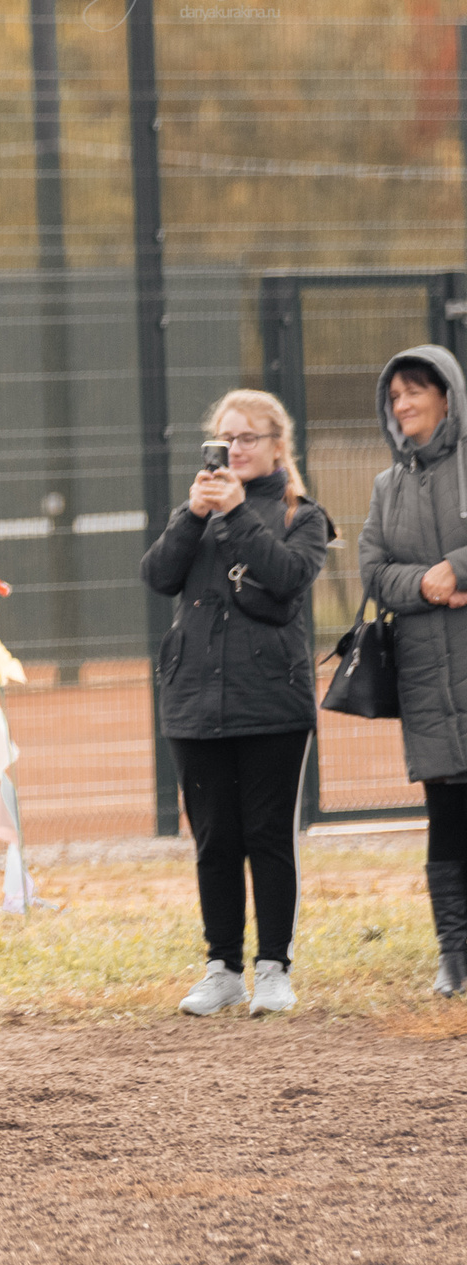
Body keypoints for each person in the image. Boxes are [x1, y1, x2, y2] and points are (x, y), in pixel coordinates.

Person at [142, 389, 332, 1018]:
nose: (235, 449)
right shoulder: (195, 511)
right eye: (226, 438)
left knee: (269, 836)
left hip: (270, 702)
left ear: (278, 445)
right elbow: (159, 576)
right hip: (193, 699)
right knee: (214, 839)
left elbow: (286, 576)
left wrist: (236, 515)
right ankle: (221, 967)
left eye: (248, 437)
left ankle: (274, 967)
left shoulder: (301, 515)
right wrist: (192, 516)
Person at [357, 343, 467, 1000]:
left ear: (447, 396)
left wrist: (459, 565)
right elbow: (371, 571)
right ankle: (454, 956)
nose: (402, 404)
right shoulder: (385, 486)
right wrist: (424, 582)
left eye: (415, 391)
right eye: (394, 395)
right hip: (426, 675)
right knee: (446, 816)